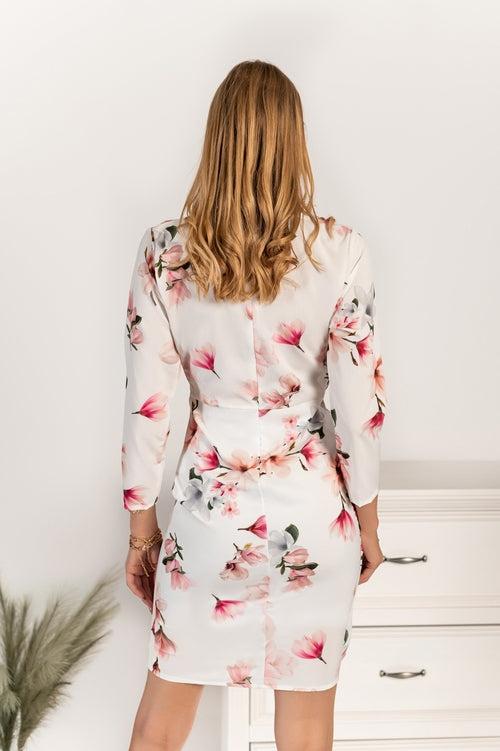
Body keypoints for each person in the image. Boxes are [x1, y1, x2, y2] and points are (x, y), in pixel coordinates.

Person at [121, 60, 387, 751]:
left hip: (209, 520)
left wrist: (143, 535)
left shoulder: (165, 252)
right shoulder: (342, 251)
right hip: (315, 520)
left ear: (218, 138)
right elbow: (358, 410)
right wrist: (367, 522)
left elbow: (147, 408)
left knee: (157, 731)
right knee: (307, 732)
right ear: (294, 141)